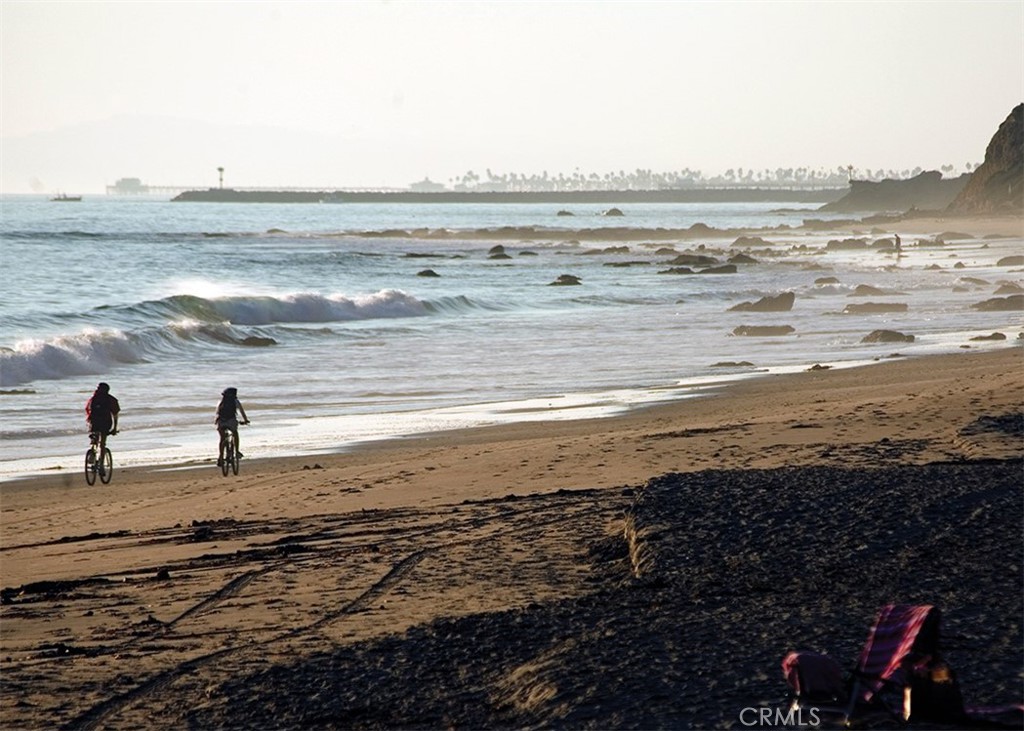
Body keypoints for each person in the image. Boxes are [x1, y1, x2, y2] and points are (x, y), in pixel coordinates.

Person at [85, 382, 120, 470]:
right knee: (102, 443)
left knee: (94, 438)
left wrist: (90, 423)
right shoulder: (111, 399)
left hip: (94, 422)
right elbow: (115, 415)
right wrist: (115, 428)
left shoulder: (93, 398)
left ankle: (92, 452)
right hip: (106, 422)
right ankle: (101, 464)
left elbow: (88, 410)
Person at [216, 387, 249, 465]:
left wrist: (217, 422)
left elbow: (217, 413)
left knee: (222, 438)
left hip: (221, 422)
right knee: (235, 433)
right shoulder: (235, 401)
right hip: (231, 421)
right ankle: (237, 452)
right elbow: (242, 412)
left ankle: (220, 457)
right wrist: (245, 420)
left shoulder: (220, 402)